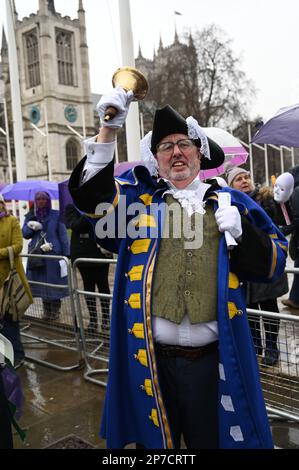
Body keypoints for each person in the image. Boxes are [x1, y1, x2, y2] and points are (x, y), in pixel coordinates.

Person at [69, 87, 287, 449]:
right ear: (156, 159)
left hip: (212, 365)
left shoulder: (231, 202)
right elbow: (93, 202)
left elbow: (274, 266)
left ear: (199, 152)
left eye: (183, 144)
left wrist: (243, 232)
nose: (176, 152)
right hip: (151, 365)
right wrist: (107, 132)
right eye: (165, 147)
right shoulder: (138, 204)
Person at [226, 166, 289, 366]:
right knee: (250, 310)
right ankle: (255, 346)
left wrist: (279, 205)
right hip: (245, 267)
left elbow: (279, 224)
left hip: (264, 263)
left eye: (247, 177)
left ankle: (271, 347)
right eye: (238, 179)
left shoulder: (266, 200)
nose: (245, 181)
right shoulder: (230, 205)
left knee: (269, 308)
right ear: (231, 185)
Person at [64, 203, 111, 334]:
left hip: (101, 253)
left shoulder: (101, 206)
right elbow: (75, 226)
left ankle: (106, 318)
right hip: (83, 256)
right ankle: (93, 319)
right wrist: (89, 212)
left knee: (103, 287)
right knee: (88, 288)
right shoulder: (72, 207)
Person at [22, 191, 70, 320]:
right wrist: (31, 224)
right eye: (38, 199)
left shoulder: (56, 215)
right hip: (37, 256)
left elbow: (63, 235)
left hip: (53, 255)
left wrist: (67, 254)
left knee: (54, 283)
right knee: (42, 283)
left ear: (48, 200)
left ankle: (55, 311)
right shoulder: (31, 216)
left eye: (44, 198)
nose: (41, 201)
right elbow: (25, 234)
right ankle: (46, 311)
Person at [0, 194, 33, 368]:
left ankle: (17, 355)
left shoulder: (11, 221)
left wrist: (1, 253)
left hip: (9, 281)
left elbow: (18, 246)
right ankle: (5, 356)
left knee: (10, 320)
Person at [275, 168, 299, 309]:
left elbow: (296, 219)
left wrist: (283, 230)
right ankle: (295, 298)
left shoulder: (296, 191)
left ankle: (295, 299)